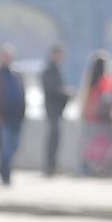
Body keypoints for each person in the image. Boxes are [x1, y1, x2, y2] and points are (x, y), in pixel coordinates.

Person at [0, 44, 27, 185]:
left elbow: (22, 94)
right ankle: (5, 175)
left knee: (15, 145)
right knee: (5, 147)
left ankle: (2, 168)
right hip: (1, 118)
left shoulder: (17, 75)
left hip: (16, 117)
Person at [78, 52, 112, 176]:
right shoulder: (105, 80)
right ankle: (99, 168)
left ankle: (86, 166)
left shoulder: (88, 80)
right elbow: (109, 97)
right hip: (101, 118)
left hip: (89, 115)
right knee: (102, 143)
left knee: (90, 143)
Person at [40, 45, 71, 177]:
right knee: (53, 138)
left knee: (56, 138)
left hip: (57, 110)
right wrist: (65, 93)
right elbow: (52, 90)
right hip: (52, 109)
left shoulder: (56, 70)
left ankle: (52, 165)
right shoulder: (49, 71)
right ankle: (49, 165)